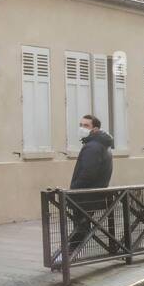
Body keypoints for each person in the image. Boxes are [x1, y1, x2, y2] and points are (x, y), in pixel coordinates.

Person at [54, 114, 115, 271]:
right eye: (80, 124)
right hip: (93, 194)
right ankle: (67, 257)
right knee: (83, 226)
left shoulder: (93, 147)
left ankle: (66, 257)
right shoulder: (102, 145)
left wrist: (73, 190)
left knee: (80, 227)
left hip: (84, 195)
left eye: (86, 125)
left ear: (95, 128)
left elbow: (88, 173)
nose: (81, 128)